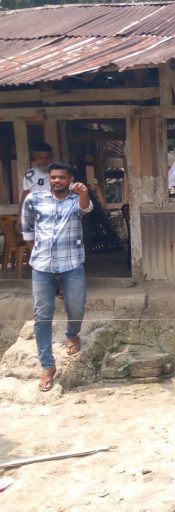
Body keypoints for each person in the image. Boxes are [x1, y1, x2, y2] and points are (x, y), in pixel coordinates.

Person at [21, 162, 93, 392]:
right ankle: (47, 365)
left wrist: (84, 193)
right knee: (42, 316)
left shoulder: (76, 199)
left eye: (61, 177)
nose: (56, 181)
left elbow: (86, 209)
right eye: (53, 177)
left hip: (71, 264)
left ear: (70, 178)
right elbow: (27, 230)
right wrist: (35, 254)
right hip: (42, 267)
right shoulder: (34, 199)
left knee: (77, 307)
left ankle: (72, 334)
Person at [16, 142, 54, 231]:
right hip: (35, 215)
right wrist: (20, 217)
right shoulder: (29, 175)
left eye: (47, 158)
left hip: (54, 213)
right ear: (34, 157)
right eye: (40, 158)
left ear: (51, 157)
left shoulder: (59, 173)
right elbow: (26, 195)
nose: (44, 161)